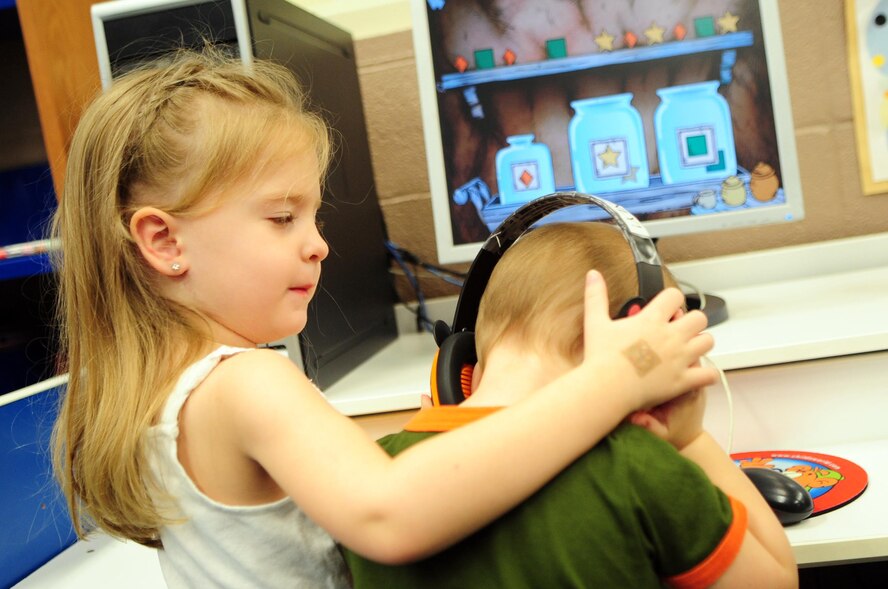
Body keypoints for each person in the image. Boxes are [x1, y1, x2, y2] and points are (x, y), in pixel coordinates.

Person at [50, 49, 717, 588]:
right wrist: (617, 378)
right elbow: (390, 513)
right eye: (282, 217)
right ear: (164, 241)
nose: (317, 243)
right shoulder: (247, 382)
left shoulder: (165, 393)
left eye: (312, 217)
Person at [344, 222, 798, 588]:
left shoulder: (368, 475)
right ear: (617, 352)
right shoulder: (638, 466)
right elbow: (775, 579)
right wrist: (689, 436)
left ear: (464, 368)